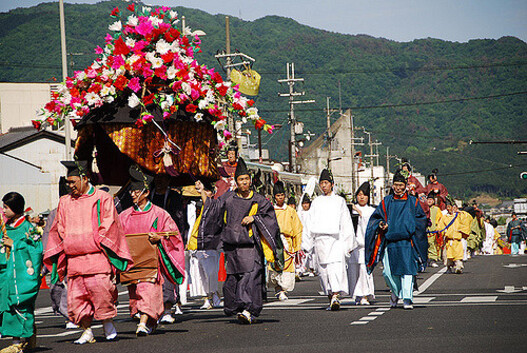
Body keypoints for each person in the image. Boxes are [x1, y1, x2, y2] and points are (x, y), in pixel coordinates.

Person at [44, 161, 133, 345]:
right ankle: (87, 331)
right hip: (74, 260)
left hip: (96, 257)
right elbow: (57, 229)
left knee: (102, 293)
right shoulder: (64, 202)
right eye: (67, 182)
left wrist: (93, 240)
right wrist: (65, 246)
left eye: (72, 181)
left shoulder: (102, 198)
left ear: (84, 178)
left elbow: (110, 225)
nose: (69, 186)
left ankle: (107, 323)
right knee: (77, 299)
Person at [195, 158, 284, 324]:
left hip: (251, 248)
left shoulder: (259, 200)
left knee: (250, 279)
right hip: (232, 248)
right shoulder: (228, 198)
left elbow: (270, 219)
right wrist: (201, 191)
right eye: (241, 180)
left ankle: (249, 311)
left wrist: (254, 218)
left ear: (250, 181)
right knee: (233, 282)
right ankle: (240, 308)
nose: (244, 182)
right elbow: (213, 209)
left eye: (246, 179)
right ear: (236, 182)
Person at [119, 166, 185, 336]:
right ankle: (150, 320)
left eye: (136, 191)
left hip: (152, 265)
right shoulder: (124, 216)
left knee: (147, 290)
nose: (133, 194)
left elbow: (173, 235)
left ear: (146, 193)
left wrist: (160, 238)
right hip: (133, 264)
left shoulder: (160, 214)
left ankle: (142, 324)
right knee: (136, 295)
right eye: (132, 192)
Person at [365, 171, 428, 310]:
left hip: (407, 242)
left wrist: (411, 226)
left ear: (406, 185)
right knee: (388, 272)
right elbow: (376, 218)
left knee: (407, 271)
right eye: (396, 185)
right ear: (392, 185)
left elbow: (421, 219)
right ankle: (395, 292)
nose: (398, 188)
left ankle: (407, 298)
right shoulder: (386, 202)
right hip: (390, 242)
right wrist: (381, 224)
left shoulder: (413, 202)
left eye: (401, 185)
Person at [305, 169, 355, 311]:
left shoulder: (339, 201)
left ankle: (335, 296)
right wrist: (307, 244)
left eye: (326, 183)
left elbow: (345, 222)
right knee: (323, 273)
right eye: (322, 183)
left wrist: (348, 243)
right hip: (320, 241)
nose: (324, 186)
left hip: (335, 241)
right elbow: (309, 223)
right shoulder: (316, 202)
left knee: (335, 269)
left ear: (332, 184)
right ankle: (330, 297)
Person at [0, 192, 43, 353]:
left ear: (16, 208)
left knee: (19, 305)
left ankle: (17, 341)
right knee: (7, 306)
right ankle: (26, 336)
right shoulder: (5, 227)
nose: (3, 211)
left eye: (6, 207)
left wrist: (15, 244)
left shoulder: (29, 228)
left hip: (22, 274)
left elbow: (36, 250)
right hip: (6, 274)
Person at [150, 174, 188, 323]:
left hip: (168, 239)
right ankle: (151, 309)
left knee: (168, 274)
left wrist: (177, 240)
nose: (159, 182)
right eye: (157, 179)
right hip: (149, 241)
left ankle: (167, 309)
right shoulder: (148, 194)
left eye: (163, 179)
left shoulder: (174, 196)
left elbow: (179, 219)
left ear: (168, 181)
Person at [41, 177, 78, 329]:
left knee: (74, 287)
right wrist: (45, 256)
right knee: (56, 287)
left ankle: (74, 316)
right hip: (59, 254)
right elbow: (48, 234)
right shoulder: (54, 213)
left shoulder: (81, 208)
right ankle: (68, 314)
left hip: (76, 253)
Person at [187, 181, 222, 310]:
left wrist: (202, 190)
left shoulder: (215, 206)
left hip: (211, 243)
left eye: (207, 191)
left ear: (211, 194)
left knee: (211, 272)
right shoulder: (197, 207)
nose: (204, 194)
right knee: (201, 274)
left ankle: (214, 295)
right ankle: (207, 297)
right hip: (198, 244)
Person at [269, 181, 303, 301]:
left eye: (282, 195)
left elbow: (297, 229)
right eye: (278, 195)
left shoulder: (290, 211)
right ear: (274, 197)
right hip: (274, 242)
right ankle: (278, 289)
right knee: (275, 267)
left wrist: (297, 247)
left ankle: (282, 290)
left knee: (287, 268)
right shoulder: (270, 210)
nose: (280, 197)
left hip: (287, 242)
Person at [348, 182, 376, 305]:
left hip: (366, 246)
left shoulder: (371, 211)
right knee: (354, 270)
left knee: (365, 270)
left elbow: (369, 225)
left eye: (364, 195)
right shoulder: (351, 210)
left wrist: (359, 212)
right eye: (359, 195)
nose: (361, 197)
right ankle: (356, 295)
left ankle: (365, 294)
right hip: (354, 246)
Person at [436, 197, 472, 274]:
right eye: (447, 207)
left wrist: (459, 212)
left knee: (458, 256)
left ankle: (458, 267)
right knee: (447, 256)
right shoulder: (444, 217)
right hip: (448, 240)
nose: (449, 208)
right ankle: (448, 267)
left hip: (457, 240)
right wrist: (440, 232)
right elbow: (440, 227)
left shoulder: (459, 216)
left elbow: (468, 218)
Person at [426, 192, 443, 268]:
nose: (429, 201)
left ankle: (433, 260)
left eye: (431, 200)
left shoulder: (436, 209)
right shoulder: (423, 208)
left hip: (433, 230)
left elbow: (440, 220)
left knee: (433, 245)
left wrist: (438, 228)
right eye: (428, 199)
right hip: (424, 230)